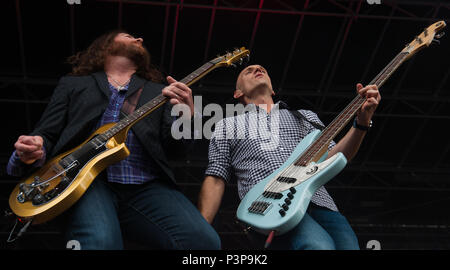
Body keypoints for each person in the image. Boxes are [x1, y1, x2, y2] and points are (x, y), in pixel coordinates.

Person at [7, 30, 221, 250]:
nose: (140, 39)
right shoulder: (74, 84)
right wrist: (32, 148)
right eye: (129, 35)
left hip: (146, 185)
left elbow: (177, 150)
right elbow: (46, 134)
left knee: (205, 242)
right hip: (86, 182)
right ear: (106, 46)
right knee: (101, 243)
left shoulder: (160, 92)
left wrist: (188, 116)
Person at [198, 64, 381, 250]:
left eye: (262, 69)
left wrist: (362, 123)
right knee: (317, 246)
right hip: (271, 206)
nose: (257, 69)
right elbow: (215, 175)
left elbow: (335, 157)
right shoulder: (227, 125)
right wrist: (202, 229)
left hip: (321, 202)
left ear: (273, 89)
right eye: (248, 71)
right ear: (238, 93)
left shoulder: (305, 116)